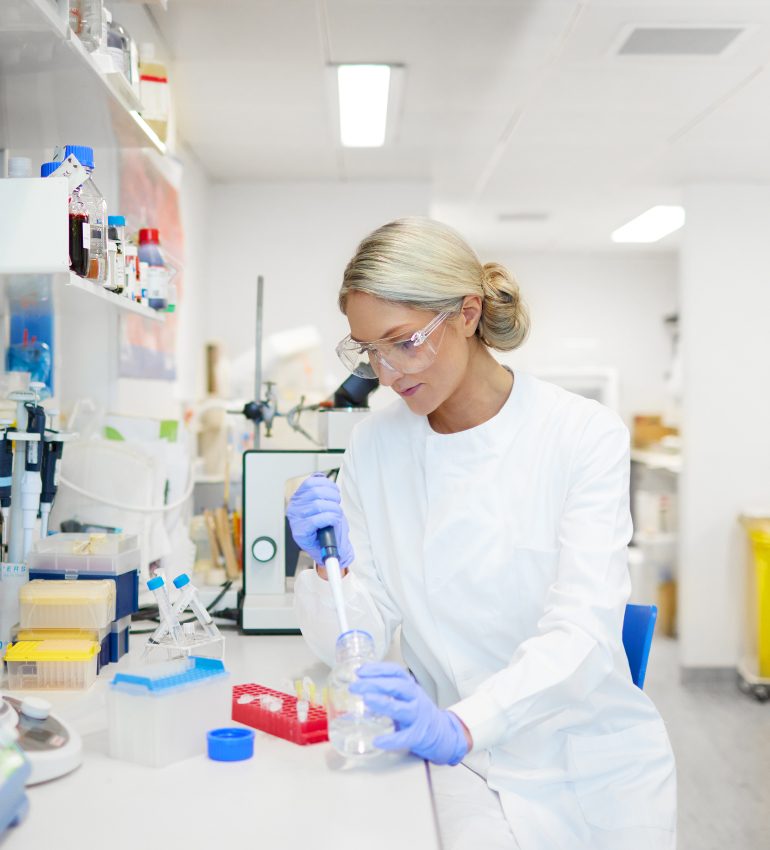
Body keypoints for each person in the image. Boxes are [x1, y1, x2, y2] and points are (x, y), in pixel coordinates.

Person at [287, 218, 676, 850]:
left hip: (588, 765)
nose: (385, 373)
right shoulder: (377, 445)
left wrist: (462, 725)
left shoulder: (582, 434)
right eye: (368, 351)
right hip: (459, 764)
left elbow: (581, 631)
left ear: (468, 314)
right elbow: (350, 641)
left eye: (403, 342)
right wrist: (324, 563)